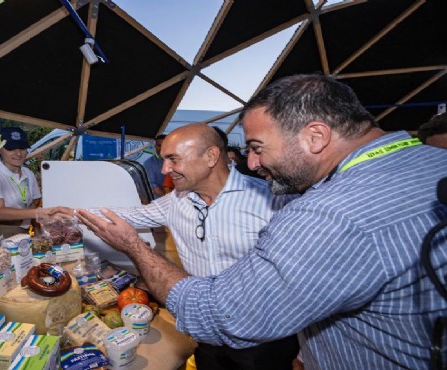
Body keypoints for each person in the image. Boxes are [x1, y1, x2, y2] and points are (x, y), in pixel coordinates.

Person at [77, 74, 447, 369]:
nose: (252, 163)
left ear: (316, 136)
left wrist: (133, 245)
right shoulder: (431, 165)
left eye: (256, 147)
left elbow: (221, 314)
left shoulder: (327, 212)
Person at [83, 123, 299, 370]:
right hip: (205, 331)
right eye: (164, 159)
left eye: (173, 159)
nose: (165, 169)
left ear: (210, 156)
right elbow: (128, 215)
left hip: (262, 337)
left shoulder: (273, 201)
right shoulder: (175, 202)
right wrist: (67, 213)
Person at [0, 127, 67, 241]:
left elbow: (33, 205)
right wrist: (39, 213)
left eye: (22, 148)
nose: (18, 153)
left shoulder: (28, 173)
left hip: (23, 231)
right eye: (11, 149)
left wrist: (38, 234)